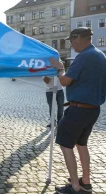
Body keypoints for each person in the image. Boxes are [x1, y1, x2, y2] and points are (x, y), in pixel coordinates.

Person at [50, 27, 106, 194]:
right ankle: (86, 182)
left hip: (78, 110)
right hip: (93, 110)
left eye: (72, 40)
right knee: (81, 144)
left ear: (80, 38)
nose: (71, 44)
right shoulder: (100, 55)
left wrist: (60, 69)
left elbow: (65, 81)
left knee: (65, 144)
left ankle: (75, 186)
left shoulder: (84, 57)